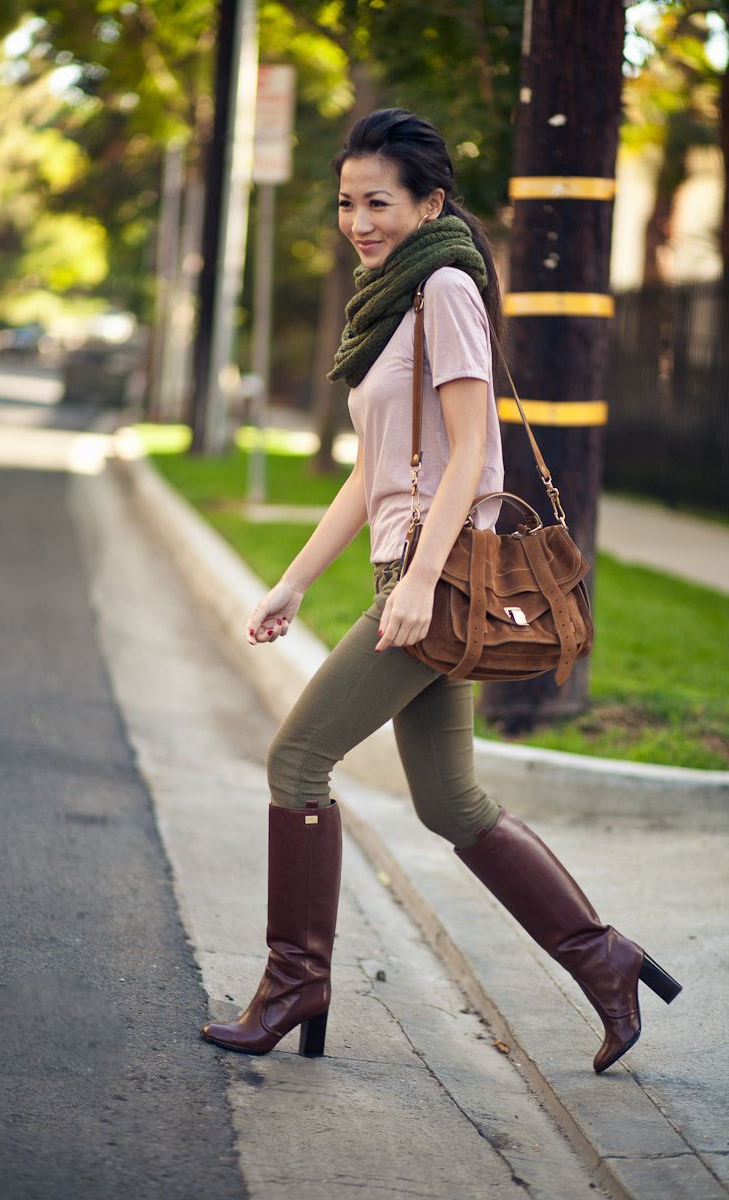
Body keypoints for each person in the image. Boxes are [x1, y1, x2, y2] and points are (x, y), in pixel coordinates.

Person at [200, 109, 681, 1072]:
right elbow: (372, 470)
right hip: (413, 566)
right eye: (347, 201)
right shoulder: (391, 298)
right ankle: (608, 961)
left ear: (430, 202)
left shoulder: (446, 288)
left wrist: (417, 582)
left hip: (438, 572)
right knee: (452, 802)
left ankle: (296, 982)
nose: (359, 220)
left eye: (379, 201)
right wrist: (294, 580)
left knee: (297, 762)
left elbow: (477, 451)